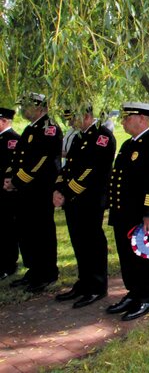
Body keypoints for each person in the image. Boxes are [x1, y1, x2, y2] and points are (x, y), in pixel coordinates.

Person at [105, 102, 149, 321]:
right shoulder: (127, 146)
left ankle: (147, 297)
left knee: (145, 257)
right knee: (127, 256)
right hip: (124, 213)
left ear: (142, 119)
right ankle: (133, 293)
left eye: (127, 117)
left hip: (143, 216)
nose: (123, 121)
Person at [53, 105, 116, 308]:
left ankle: (97, 286)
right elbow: (69, 166)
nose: (70, 123)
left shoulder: (102, 137)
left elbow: (91, 171)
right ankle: (84, 282)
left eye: (74, 118)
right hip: (74, 199)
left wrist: (67, 191)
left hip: (90, 199)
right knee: (78, 241)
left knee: (92, 242)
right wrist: (59, 188)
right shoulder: (80, 136)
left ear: (87, 115)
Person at [3, 92, 62, 293]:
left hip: (40, 189)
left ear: (39, 106)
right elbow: (18, 159)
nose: (23, 110)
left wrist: (18, 180)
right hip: (26, 189)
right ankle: (34, 269)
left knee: (41, 231)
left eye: (26, 106)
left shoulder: (49, 128)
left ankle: (46, 272)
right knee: (27, 230)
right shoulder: (30, 128)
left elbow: (41, 161)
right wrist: (10, 177)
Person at [0, 107, 22, 280]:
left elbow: (12, 166)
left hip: (6, 191)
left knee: (7, 228)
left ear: (4, 121)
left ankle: (9, 264)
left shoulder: (13, 140)